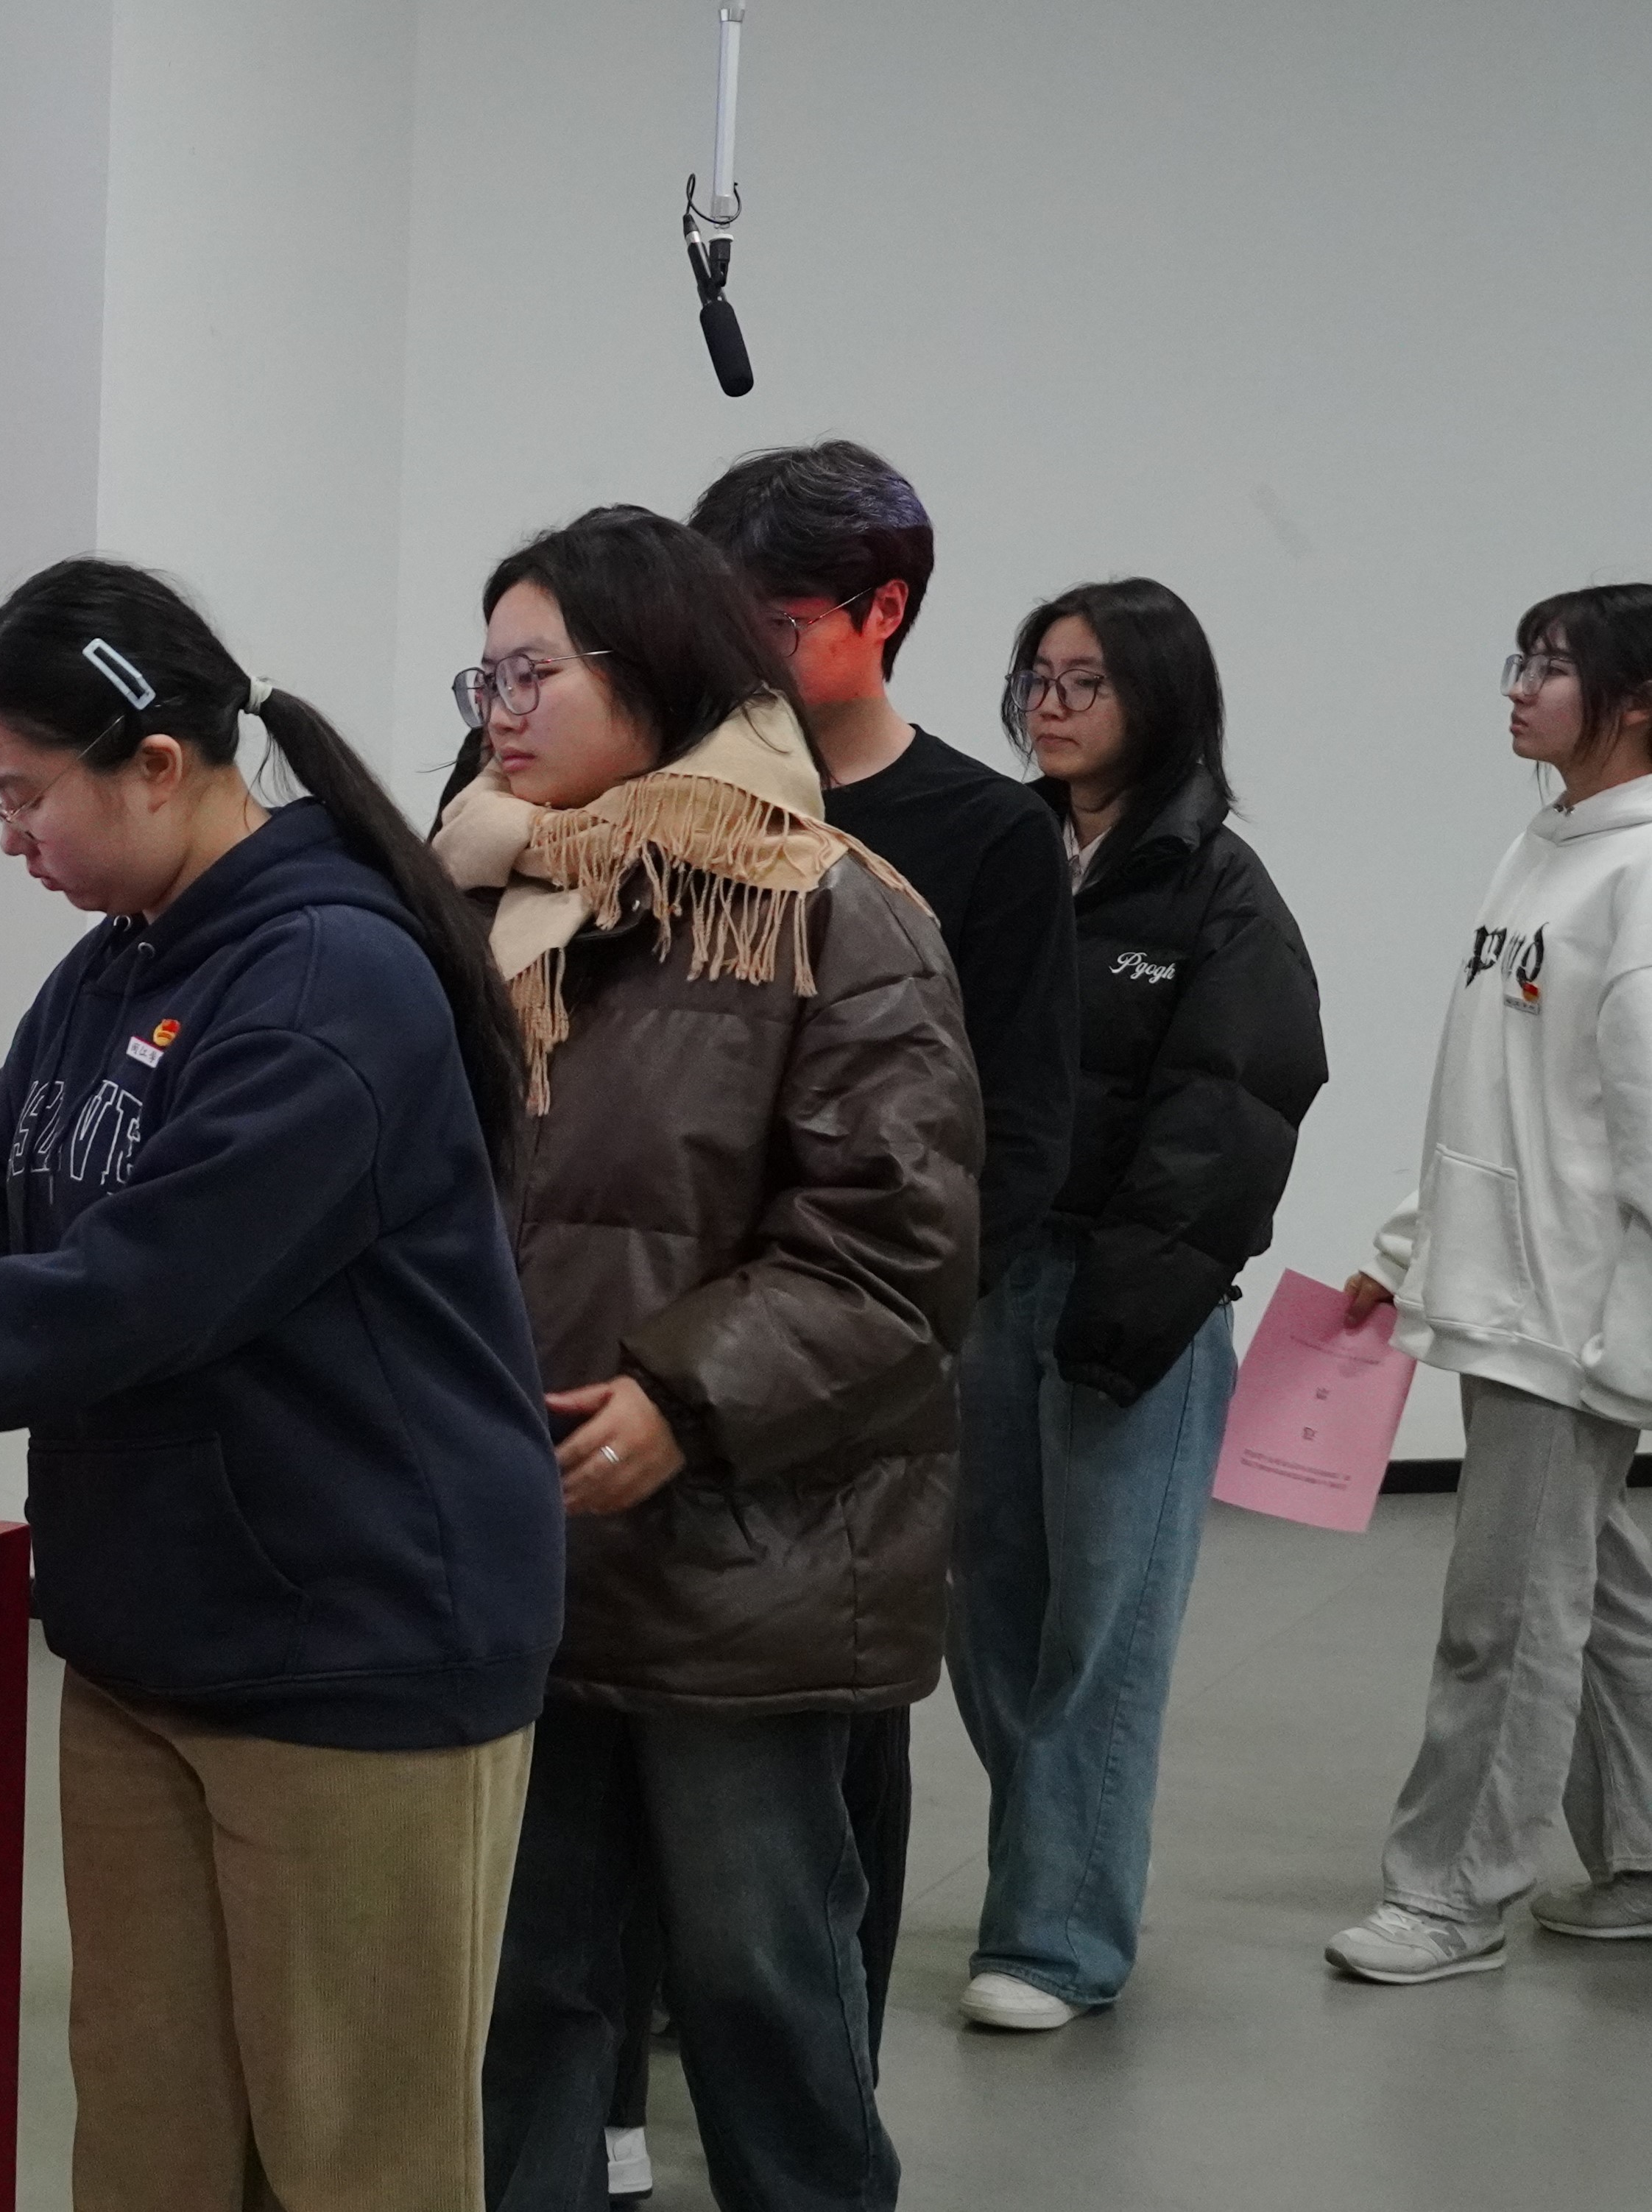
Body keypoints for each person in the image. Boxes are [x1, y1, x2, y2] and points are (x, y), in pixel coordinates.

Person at [0, 558, 564, 2210]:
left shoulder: (327, 982)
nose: (10, 835)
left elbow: (133, 1293)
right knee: (150, 2130)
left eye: (24, 794)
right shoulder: (123, 959)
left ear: (154, 765)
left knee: (357, 2151)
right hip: (157, 1633)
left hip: (354, 1643)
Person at [442, 507, 978, 2212]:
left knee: (761, 1987)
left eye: (531, 672)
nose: (496, 711)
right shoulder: (488, 900)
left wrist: (684, 1396)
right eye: (481, 676)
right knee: (525, 1985)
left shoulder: (829, 910)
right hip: (525, 1540)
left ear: (652, 671)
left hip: (745, 1553)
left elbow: (892, 1245)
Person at [688, 444, 1077, 2065]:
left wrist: (894, 1326)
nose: (742, 659)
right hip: (672, 1328)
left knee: (836, 1697)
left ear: (884, 610)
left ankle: (821, 2048)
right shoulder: (677, 805)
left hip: (867, 1346)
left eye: (775, 623)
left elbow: (1021, 1133)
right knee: (650, 1691)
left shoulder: (984, 835)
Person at [947, 581, 1327, 2029]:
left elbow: (1233, 1111)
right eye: (1035, 678)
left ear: (1158, 699)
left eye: (1084, 680)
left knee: (1102, 1633)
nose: (1049, 705)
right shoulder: (1000, 856)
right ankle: (1046, 1880)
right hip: (988, 1280)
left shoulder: (1219, 889)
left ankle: (1057, 1940)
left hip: (1134, 1302)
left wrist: (1129, 1305)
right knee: (988, 1616)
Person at [1327, 583, 1652, 1985]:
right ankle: (1643, 1851)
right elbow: (1505, 1094)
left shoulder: (1642, 876)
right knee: (1598, 1594)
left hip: (1568, 1320)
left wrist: (1617, 1333)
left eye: (1552, 667)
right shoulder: (1548, 845)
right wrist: (1410, 1244)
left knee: (1508, 1619)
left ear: (1637, 703)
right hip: (1512, 1288)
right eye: (1520, 660)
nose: (1519, 687)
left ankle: (1454, 1895)